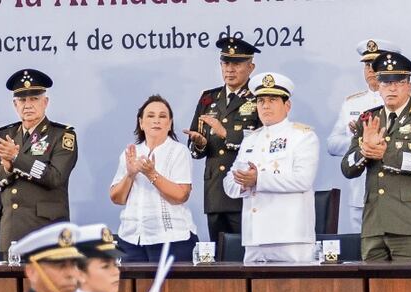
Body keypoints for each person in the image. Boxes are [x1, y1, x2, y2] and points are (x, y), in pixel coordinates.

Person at [341, 51, 411, 261]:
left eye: (398, 82)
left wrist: (386, 153)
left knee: (410, 291)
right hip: (373, 225)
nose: (392, 88)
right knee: (374, 290)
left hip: (410, 225)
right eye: (386, 83)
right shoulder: (368, 119)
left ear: (409, 86)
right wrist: (364, 152)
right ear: (378, 86)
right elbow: (347, 168)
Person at [223, 73, 320, 263]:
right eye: (261, 101)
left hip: (290, 236)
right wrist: (243, 183)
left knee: (295, 291)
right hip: (254, 237)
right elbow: (229, 183)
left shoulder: (302, 136)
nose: (265, 106)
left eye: (272, 100)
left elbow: (303, 179)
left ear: (287, 106)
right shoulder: (251, 139)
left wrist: (258, 179)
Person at [0, 69, 78, 253]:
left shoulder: (62, 135)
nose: (28, 105)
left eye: (34, 99)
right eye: (22, 100)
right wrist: (7, 169)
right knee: (11, 283)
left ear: (45, 102)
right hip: (11, 233)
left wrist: (17, 159)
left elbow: (55, 178)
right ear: (15, 104)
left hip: (47, 233)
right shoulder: (6, 134)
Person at [184, 37, 262, 244]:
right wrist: (199, 142)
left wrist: (225, 133)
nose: (230, 69)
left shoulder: (258, 99)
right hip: (215, 191)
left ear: (250, 67)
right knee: (219, 258)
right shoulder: (208, 98)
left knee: (247, 254)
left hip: (244, 187)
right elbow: (195, 148)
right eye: (225, 63)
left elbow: (263, 140)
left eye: (236, 64)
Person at [109, 95, 196, 262]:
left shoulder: (178, 151)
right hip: (131, 238)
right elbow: (117, 198)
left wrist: (151, 174)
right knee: (132, 288)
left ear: (169, 124)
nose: (156, 120)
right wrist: (130, 174)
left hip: (171, 239)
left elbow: (181, 196)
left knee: (170, 289)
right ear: (141, 123)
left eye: (162, 116)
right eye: (150, 116)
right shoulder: (131, 152)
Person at [327, 39, 399, 235]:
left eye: (375, 64)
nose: (370, 69)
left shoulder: (405, 101)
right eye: (367, 64)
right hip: (360, 192)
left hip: (395, 192)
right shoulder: (352, 103)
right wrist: (358, 141)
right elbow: (332, 144)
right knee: (362, 255)